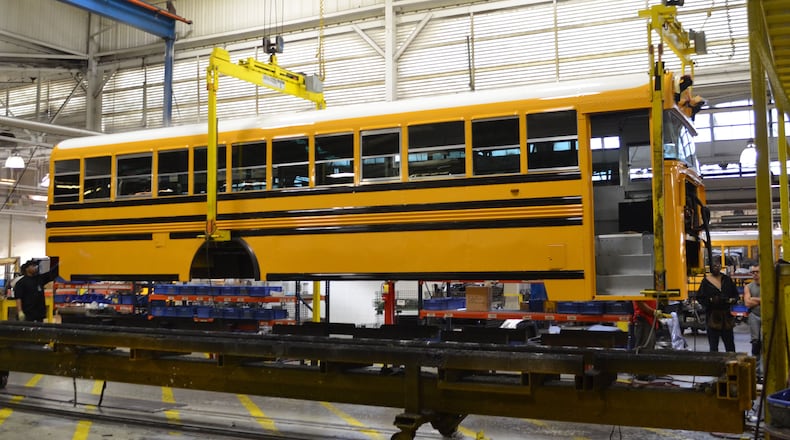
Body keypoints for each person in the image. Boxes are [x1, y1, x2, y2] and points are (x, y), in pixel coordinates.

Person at [697, 263, 740, 352]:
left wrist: (731, 300)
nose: (715, 267)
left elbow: (736, 295)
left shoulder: (727, 280)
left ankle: (731, 362)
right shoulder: (706, 281)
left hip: (726, 317)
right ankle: (714, 364)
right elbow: (700, 297)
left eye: (717, 265)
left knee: (730, 346)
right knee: (713, 346)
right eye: (713, 265)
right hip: (712, 316)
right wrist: (710, 301)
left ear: (720, 267)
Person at [744, 265, 762, 380]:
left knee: (767, 343)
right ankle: (757, 373)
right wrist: (761, 300)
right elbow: (747, 303)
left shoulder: (768, 284)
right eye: (753, 272)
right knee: (756, 344)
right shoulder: (748, 287)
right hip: (754, 316)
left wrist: (754, 299)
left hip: (767, 316)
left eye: (757, 272)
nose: (755, 274)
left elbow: (771, 299)